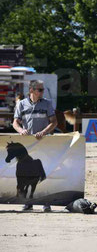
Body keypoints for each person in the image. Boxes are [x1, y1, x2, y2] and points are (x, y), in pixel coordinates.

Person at [13, 80, 58, 212]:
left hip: (45, 144)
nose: (42, 92)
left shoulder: (47, 103)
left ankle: (46, 202)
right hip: (28, 146)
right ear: (31, 90)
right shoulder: (21, 104)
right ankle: (28, 202)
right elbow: (15, 123)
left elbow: (54, 122)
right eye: (40, 89)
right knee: (27, 174)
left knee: (45, 173)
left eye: (43, 89)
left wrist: (44, 132)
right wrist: (21, 131)